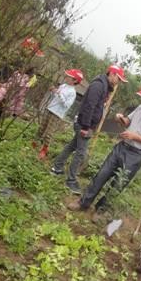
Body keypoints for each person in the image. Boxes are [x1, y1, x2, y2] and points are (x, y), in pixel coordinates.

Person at [68, 82, 141, 212]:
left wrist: (134, 136)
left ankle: (101, 211)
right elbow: (127, 122)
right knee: (101, 174)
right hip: (122, 146)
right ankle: (83, 202)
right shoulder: (140, 108)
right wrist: (120, 118)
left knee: (118, 184)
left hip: (136, 155)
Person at [51, 65, 128, 194]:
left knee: (72, 146)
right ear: (112, 74)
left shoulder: (104, 86)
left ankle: (57, 167)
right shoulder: (98, 86)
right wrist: (86, 127)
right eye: (118, 79)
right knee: (81, 153)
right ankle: (70, 180)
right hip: (84, 124)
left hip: (85, 123)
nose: (118, 82)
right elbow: (89, 106)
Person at [36, 69, 83, 159]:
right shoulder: (63, 85)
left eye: (70, 77)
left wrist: (59, 94)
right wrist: (53, 91)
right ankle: (35, 143)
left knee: (49, 132)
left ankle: (44, 150)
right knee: (42, 127)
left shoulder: (72, 92)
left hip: (57, 114)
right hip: (49, 108)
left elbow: (67, 105)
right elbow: (56, 96)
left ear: (75, 81)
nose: (67, 77)